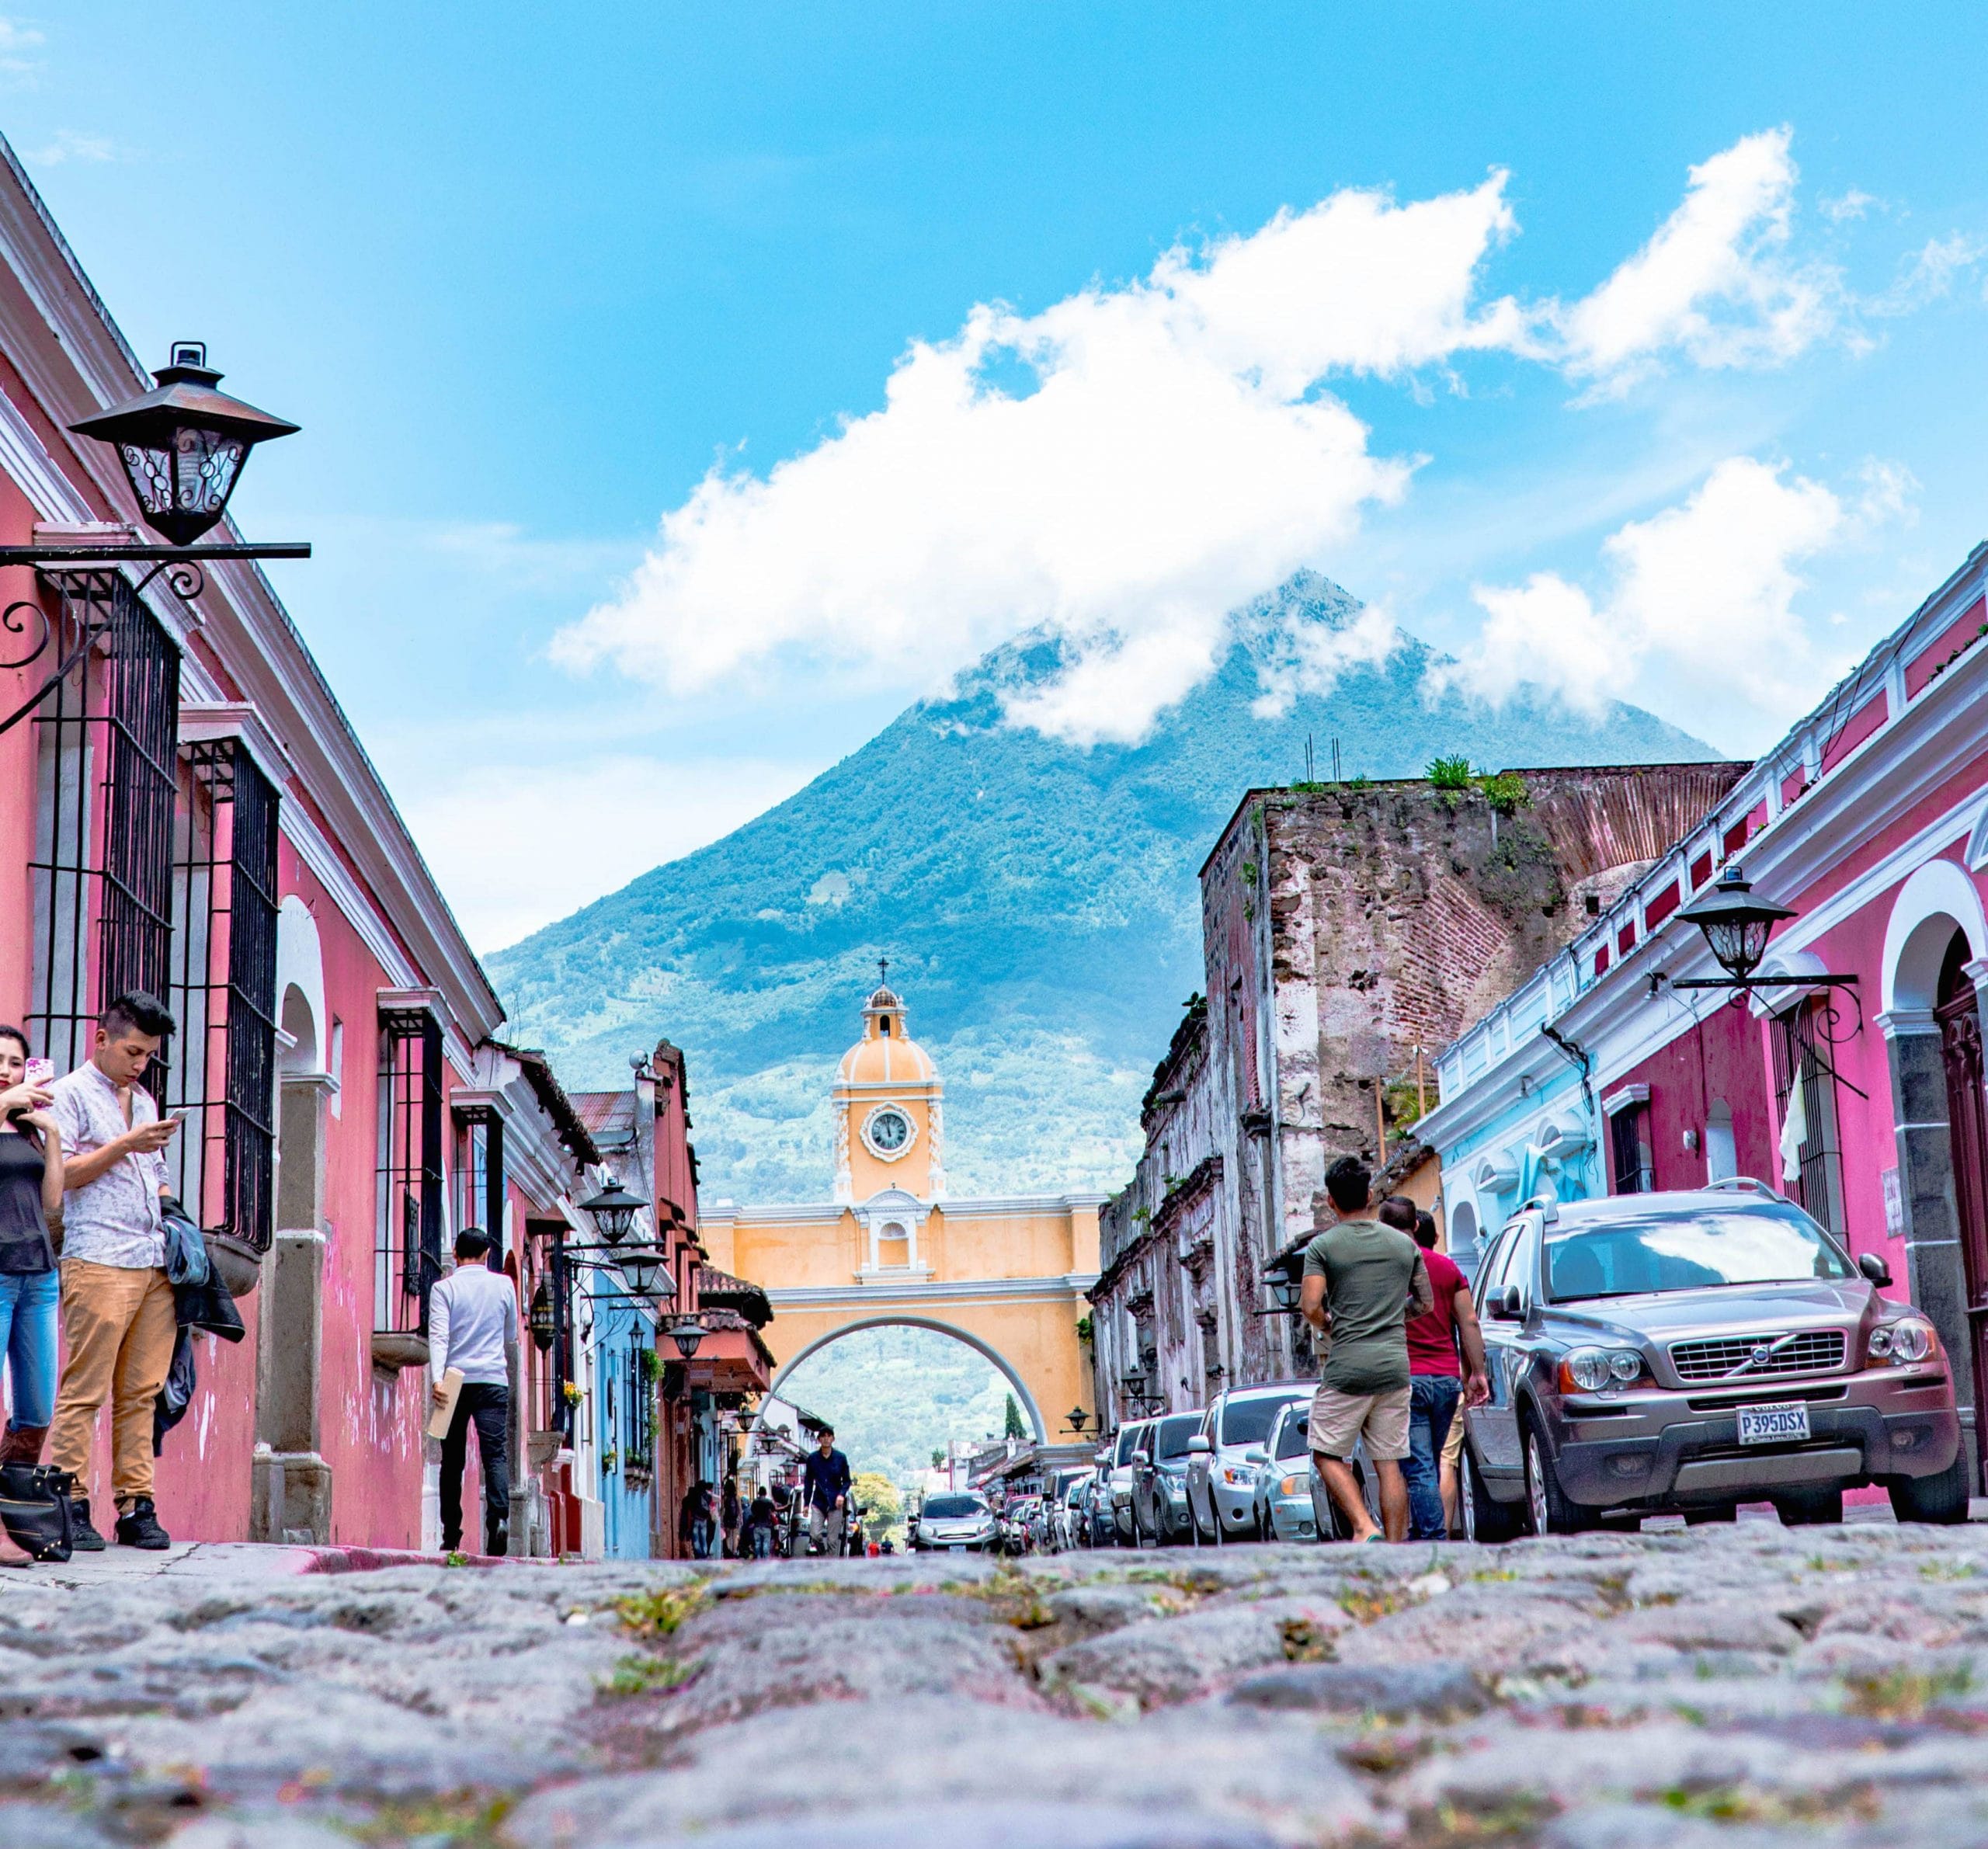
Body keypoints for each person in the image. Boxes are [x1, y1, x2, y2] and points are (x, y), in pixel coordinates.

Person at [47, 992, 181, 1552]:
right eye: (133, 1051)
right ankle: (70, 1499)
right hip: (98, 1256)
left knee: (142, 1391)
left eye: (148, 1055)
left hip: (151, 1262)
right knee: (86, 1388)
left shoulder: (144, 1100)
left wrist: (170, 1203)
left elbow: (156, 1173)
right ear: (101, 1038)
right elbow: (62, 1178)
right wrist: (126, 1143)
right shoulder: (68, 1095)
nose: (139, 1064)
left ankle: (136, 1504)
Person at [1301, 1156, 1432, 1544]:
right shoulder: (1403, 1245)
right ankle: (1393, 1548)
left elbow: (1310, 1305)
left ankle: (1363, 1525)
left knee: (1325, 1452)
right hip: (1394, 1367)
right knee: (1390, 1464)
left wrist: (1330, 1324)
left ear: (1330, 1201)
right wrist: (1392, 1315)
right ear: (1370, 1195)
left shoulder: (1322, 1247)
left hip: (1347, 1370)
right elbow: (1425, 1302)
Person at [1380, 1200, 1489, 1542]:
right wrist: (1478, 1373)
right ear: (1416, 1226)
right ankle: (1428, 1531)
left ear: (1383, 1231)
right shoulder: (1447, 1268)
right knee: (1438, 1460)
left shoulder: (1381, 1272)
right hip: (1445, 1380)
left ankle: (1432, 1536)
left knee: (1420, 1467)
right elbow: (1469, 1321)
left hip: (1405, 1380)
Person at [0, 1027, 65, 1565]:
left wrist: (52, 1136)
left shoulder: (25, 1132)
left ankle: (14, 1508)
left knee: (37, 1406)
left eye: (16, 1063)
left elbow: (52, 1203)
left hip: (39, 1277)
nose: (7, 1069)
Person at [428, 1226, 516, 1556]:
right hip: (493, 1380)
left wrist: (437, 1379)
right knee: (495, 1454)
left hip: (453, 1381)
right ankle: (499, 1519)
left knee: (452, 1462)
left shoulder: (444, 1288)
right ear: (487, 1254)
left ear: (455, 1252)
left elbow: (439, 1336)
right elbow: (510, 1334)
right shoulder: (504, 1284)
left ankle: (451, 1532)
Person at [801, 1424, 851, 1555]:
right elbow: (808, 1481)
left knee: (832, 1540)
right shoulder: (812, 1459)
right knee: (815, 1533)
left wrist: (841, 1495)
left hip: (835, 1503)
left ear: (833, 1439)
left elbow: (847, 1481)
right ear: (819, 1440)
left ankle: (831, 1568)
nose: (826, 1439)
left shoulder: (840, 1458)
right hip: (819, 1502)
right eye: (823, 1436)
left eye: (829, 1436)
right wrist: (806, 1503)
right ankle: (823, 1556)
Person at [679, 1479, 714, 1559]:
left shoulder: (692, 1495)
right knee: (703, 1537)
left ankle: (698, 1554)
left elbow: (686, 1505)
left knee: (696, 1538)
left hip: (695, 1520)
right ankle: (704, 1553)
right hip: (704, 1520)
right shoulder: (707, 1496)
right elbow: (711, 1506)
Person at [744, 1485, 777, 1557]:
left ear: (759, 1493)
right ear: (765, 1493)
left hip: (757, 1526)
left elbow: (752, 1512)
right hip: (767, 1527)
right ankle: (765, 1560)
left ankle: (758, 1559)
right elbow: (774, 1509)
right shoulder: (769, 1502)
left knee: (757, 1544)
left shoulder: (755, 1502)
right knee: (766, 1544)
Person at [720, 1472, 741, 1558]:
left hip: (727, 1518)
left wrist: (721, 1519)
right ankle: (735, 1551)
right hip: (735, 1518)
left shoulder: (725, 1497)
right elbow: (740, 1509)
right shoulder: (737, 1497)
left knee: (728, 1536)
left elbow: (722, 1509)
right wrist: (741, 1518)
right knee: (735, 1536)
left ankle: (729, 1552)